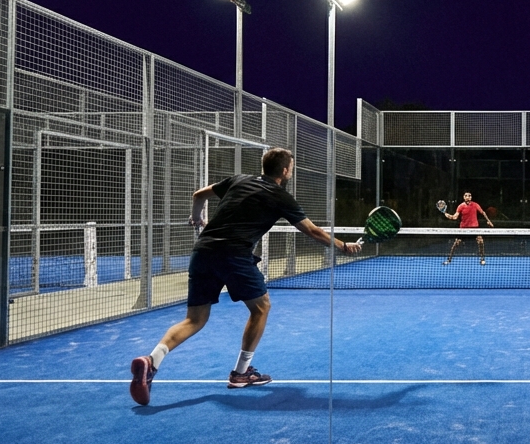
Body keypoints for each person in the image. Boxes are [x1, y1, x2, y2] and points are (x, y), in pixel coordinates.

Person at [128, 148, 362, 406]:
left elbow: (198, 195)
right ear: (285, 171)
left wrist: (197, 219)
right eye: (291, 167)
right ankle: (241, 373)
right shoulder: (280, 196)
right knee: (261, 307)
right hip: (234, 255)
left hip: (203, 251)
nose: (291, 171)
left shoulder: (237, 180)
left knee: (194, 319)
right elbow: (313, 231)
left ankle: (152, 360)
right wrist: (343, 246)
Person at [444, 191, 492, 265]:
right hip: (464, 229)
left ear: (471, 197)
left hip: (474, 229)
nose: (468, 197)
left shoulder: (475, 205)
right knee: (456, 244)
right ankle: (449, 259)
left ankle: (482, 259)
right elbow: (455, 217)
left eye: (469, 195)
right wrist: (449, 216)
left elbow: (483, 213)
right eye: (466, 195)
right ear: (464, 197)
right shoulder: (460, 206)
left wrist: (488, 221)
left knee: (481, 242)